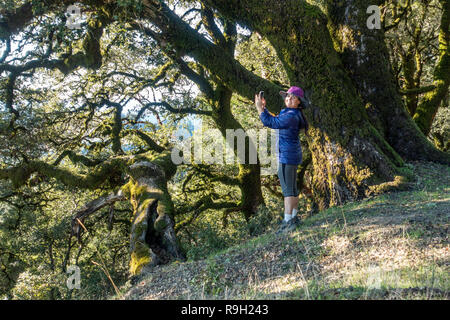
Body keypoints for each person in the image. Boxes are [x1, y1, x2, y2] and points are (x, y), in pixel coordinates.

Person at [255, 86, 308, 232]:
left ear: (299, 102)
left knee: (287, 190)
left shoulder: (291, 115)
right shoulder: (291, 113)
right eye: (287, 96)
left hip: (286, 155)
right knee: (291, 188)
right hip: (291, 154)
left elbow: (272, 123)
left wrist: (259, 109)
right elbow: (275, 119)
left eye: (293, 97)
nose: (289, 98)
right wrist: (264, 109)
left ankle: (287, 221)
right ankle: (293, 217)